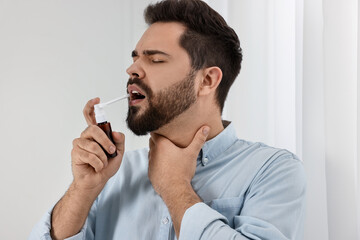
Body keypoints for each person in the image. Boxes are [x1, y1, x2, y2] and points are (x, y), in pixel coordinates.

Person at [29, 0, 306, 239]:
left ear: (207, 80)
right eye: (136, 57)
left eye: (155, 60)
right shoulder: (114, 174)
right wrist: (83, 189)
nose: (132, 69)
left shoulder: (272, 171)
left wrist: (174, 186)